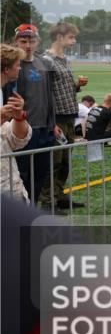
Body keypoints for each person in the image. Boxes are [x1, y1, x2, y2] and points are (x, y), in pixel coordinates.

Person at [1, 25, 58, 204]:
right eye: (23, 41)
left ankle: (31, 209)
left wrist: (53, 123)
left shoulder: (45, 63)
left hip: (44, 129)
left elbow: (49, 95)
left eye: (31, 41)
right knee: (21, 174)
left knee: (41, 173)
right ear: (16, 42)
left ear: (37, 42)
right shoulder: (10, 67)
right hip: (21, 131)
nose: (27, 45)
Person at [44, 22, 87, 208]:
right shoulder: (46, 60)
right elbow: (44, 92)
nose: (74, 40)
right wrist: (50, 120)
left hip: (70, 115)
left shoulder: (66, 60)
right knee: (54, 161)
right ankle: (47, 200)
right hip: (57, 117)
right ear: (59, 38)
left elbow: (63, 88)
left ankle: (59, 195)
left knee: (65, 161)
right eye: (71, 37)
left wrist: (77, 86)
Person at [1, 45, 30, 202]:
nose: (20, 68)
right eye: (18, 64)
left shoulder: (3, 90)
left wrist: (19, 116)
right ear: (7, 69)